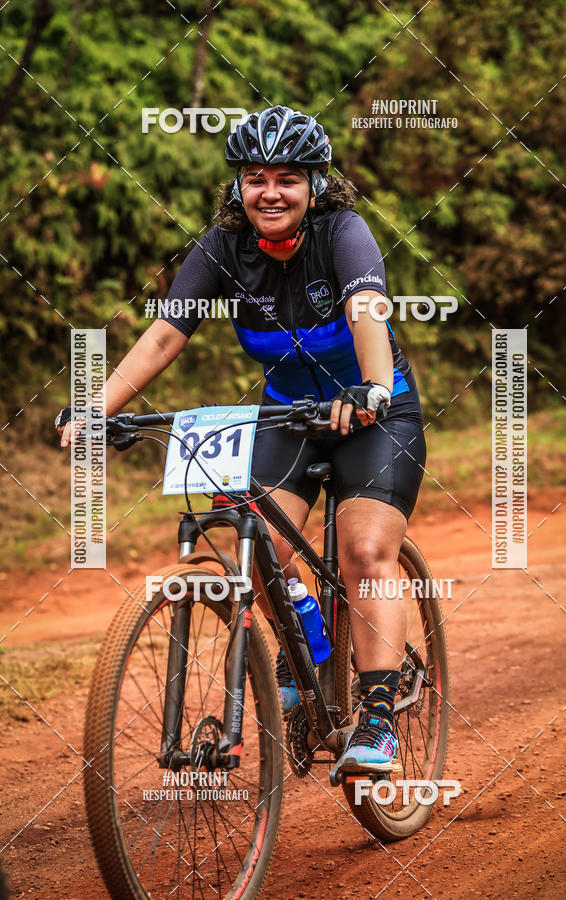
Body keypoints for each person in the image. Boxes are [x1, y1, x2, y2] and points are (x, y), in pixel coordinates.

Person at [57, 105, 426, 773]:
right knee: (260, 546)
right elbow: (164, 336)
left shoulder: (342, 233)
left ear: (315, 184)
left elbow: (366, 310)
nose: (270, 192)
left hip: (374, 415)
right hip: (291, 415)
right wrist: (94, 409)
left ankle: (377, 716)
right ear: (238, 186)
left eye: (288, 178)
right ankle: (307, 645)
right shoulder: (222, 248)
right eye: (256, 178)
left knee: (365, 552)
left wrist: (372, 388)